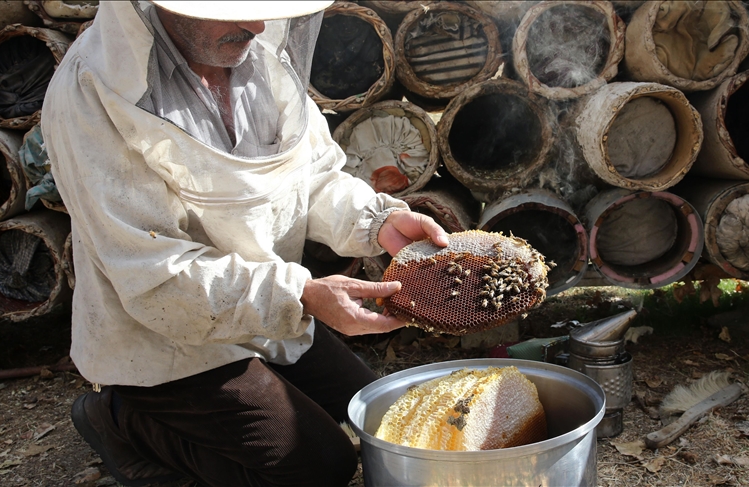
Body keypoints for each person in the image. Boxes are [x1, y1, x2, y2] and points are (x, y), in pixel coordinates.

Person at [41, 2, 449, 486]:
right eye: (238, 8)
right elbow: (157, 272)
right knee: (318, 466)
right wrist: (300, 296)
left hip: (265, 309)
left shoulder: (259, 56)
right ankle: (119, 418)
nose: (258, 25)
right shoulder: (92, 94)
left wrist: (376, 223)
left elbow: (310, 177)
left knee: (385, 412)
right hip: (166, 336)